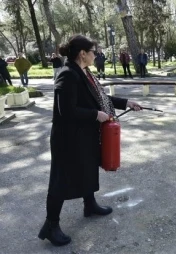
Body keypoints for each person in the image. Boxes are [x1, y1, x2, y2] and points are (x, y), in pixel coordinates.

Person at [38, 34, 142, 246]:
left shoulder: (84, 73)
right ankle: (51, 225)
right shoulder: (68, 75)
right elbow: (65, 110)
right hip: (67, 139)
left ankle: (90, 204)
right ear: (83, 54)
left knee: (88, 168)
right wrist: (95, 115)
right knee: (60, 180)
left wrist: (126, 102)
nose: (97, 54)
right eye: (94, 51)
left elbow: (100, 99)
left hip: (84, 135)